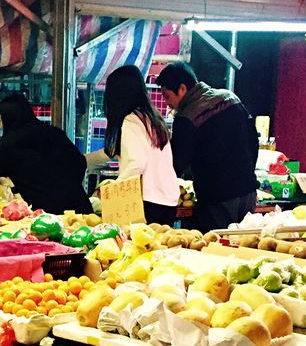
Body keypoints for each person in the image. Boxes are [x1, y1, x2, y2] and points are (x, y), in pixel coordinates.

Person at [0, 92, 91, 214]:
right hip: (82, 209)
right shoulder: (53, 133)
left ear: (8, 118)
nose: (1, 124)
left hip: (51, 218)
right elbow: (80, 162)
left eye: (1, 118)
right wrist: (67, 186)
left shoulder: (11, 146)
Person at [156, 63, 260, 231]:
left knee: (217, 249)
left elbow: (176, 163)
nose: (168, 104)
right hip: (247, 192)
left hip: (218, 199)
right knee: (244, 246)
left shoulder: (187, 117)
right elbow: (253, 141)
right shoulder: (230, 98)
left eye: (167, 96)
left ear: (182, 89)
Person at [87, 65, 179, 225]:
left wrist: (113, 191)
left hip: (147, 201)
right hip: (167, 201)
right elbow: (112, 152)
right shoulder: (152, 118)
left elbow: (136, 164)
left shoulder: (131, 120)